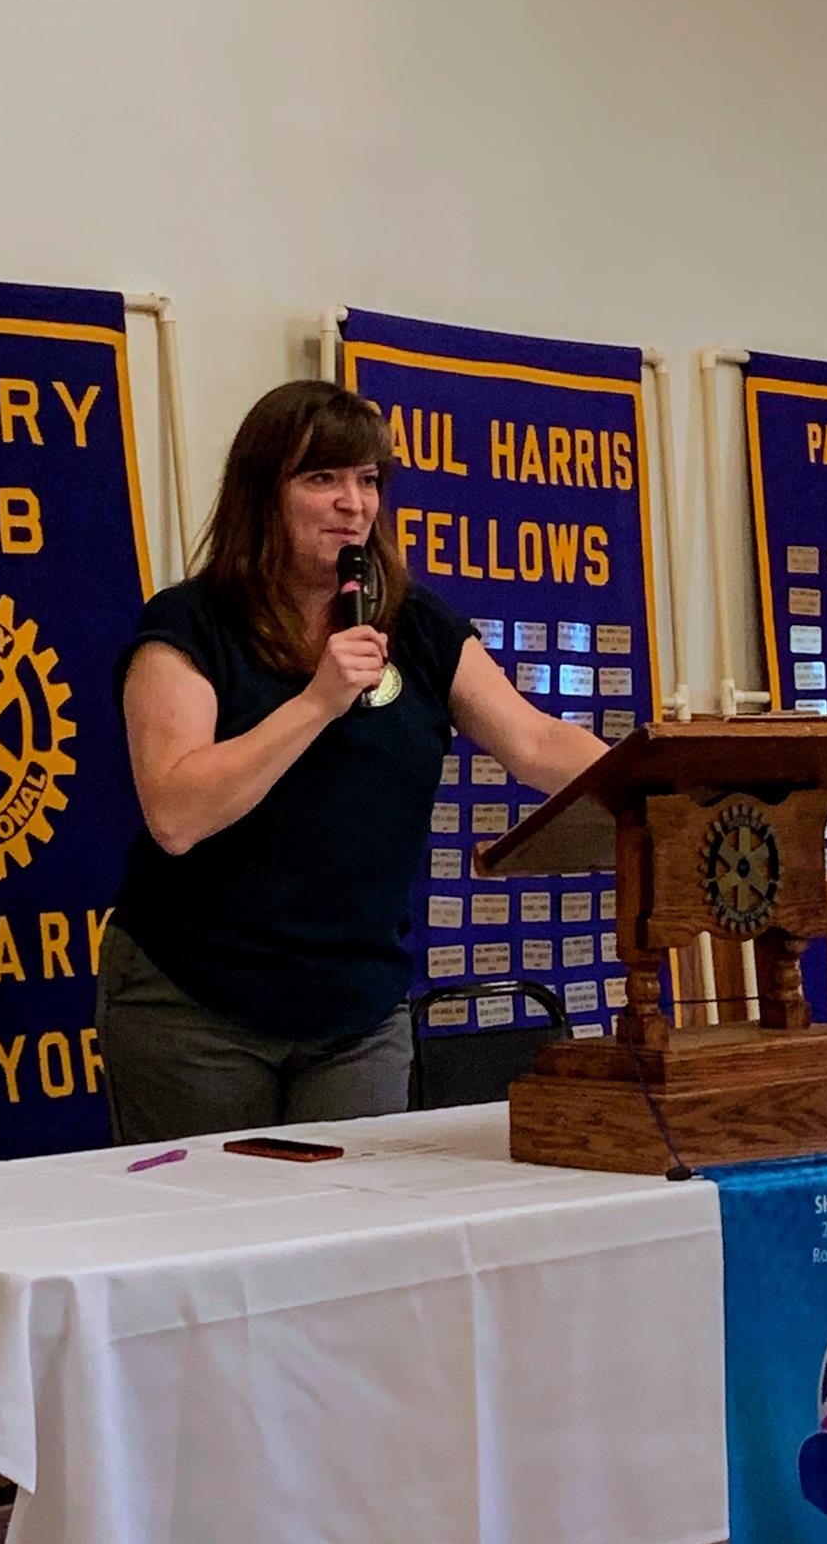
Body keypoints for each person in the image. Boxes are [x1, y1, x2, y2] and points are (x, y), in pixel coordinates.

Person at [97, 379, 608, 1142]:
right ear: (260, 494)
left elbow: (533, 740)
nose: (352, 503)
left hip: (356, 1008)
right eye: (321, 478)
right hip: (196, 1003)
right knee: (214, 1213)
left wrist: (652, 777)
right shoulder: (190, 624)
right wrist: (317, 700)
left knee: (354, 1212)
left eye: (368, 481)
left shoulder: (416, 622)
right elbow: (176, 814)